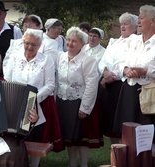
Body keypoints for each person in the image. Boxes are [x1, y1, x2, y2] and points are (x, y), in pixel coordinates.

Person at [4, 28, 63, 167]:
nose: (30, 47)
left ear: (40, 45)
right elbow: (7, 78)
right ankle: (17, 162)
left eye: (34, 44)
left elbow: (50, 85)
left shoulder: (46, 60)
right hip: (15, 102)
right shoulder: (14, 56)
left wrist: (32, 99)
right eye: (27, 43)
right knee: (15, 136)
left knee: (35, 137)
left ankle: (34, 165)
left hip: (38, 104)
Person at [56, 27, 101, 167]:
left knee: (82, 136)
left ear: (82, 44)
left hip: (80, 102)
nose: (69, 43)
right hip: (63, 101)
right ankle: (72, 162)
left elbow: (92, 85)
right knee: (70, 135)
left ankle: (84, 164)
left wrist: (85, 108)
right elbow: (57, 80)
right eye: (68, 40)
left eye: (74, 41)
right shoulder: (60, 57)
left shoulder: (88, 60)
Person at [113, 5, 155, 139]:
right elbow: (117, 61)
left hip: (149, 94)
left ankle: (147, 160)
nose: (138, 21)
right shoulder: (133, 40)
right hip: (129, 91)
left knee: (146, 135)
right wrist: (125, 69)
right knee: (126, 133)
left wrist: (145, 71)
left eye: (142, 18)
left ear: (153, 21)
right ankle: (125, 159)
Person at [98, 12, 138, 144]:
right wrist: (104, 72)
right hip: (108, 86)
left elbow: (129, 63)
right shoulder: (114, 42)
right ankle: (114, 155)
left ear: (134, 27)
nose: (123, 26)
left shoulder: (135, 42)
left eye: (126, 24)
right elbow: (104, 60)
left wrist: (112, 76)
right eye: (121, 24)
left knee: (121, 124)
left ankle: (124, 156)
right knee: (110, 124)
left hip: (122, 86)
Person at [0, 1, 23, 76]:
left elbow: (20, 50)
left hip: (10, 69)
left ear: (5, 15)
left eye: (0, 14)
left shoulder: (15, 30)